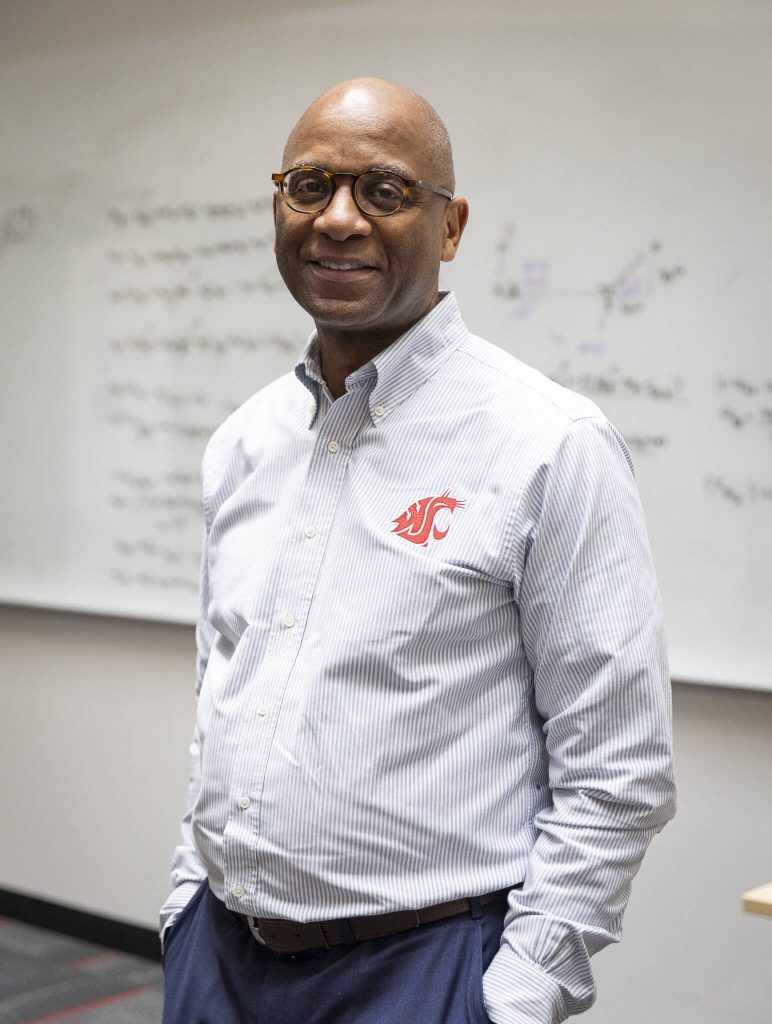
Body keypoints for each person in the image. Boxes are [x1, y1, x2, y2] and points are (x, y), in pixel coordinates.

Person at [160, 77, 676, 1024]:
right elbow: (225, 693)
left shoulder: (548, 443)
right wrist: (185, 907)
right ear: (278, 205)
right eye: (308, 186)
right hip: (220, 964)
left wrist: (511, 1001)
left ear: (450, 226)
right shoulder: (245, 441)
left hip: (423, 974)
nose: (339, 219)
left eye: (386, 191)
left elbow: (619, 773)